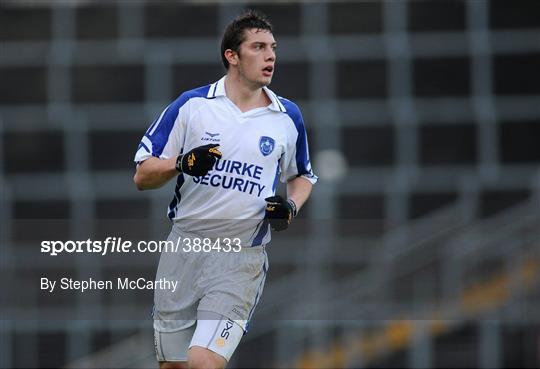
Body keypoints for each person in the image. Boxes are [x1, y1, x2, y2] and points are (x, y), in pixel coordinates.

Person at [133, 10, 317, 369]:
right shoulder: (192, 106)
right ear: (232, 56)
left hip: (239, 259)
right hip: (183, 251)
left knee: (203, 362)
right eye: (259, 47)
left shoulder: (286, 116)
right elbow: (142, 174)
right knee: (174, 366)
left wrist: (291, 206)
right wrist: (181, 163)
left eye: (273, 48)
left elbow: (303, 176)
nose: (271, 56)